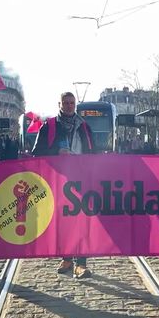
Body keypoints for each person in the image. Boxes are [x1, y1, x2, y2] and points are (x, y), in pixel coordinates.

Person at [31, 91, 94, 279]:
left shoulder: (84, 127)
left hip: (81, 180)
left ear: (75, 105)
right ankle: (66, 258)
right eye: (65, 103)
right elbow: (37, 152)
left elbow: (93, 153)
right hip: (57, 180)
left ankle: (81, 263)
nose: (69, 106)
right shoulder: (48, 126)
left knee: (82, 222)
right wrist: (57, 152)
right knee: (63, 222)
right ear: (59, 104)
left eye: (71, 103)